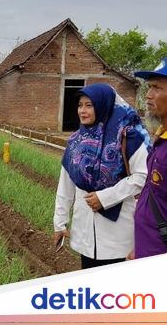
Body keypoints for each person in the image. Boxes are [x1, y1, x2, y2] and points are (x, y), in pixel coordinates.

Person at [54, 83, 151, 269]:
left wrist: (105, 197)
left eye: (89, 105)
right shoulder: (75, 141)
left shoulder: (127, 136)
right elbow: (66, 184)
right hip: (84, 232)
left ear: (102, 104)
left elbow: (142, 176)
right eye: (80, 105)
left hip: (118, 235)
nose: (82, 111)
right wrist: (60, 223)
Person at [129, 58, 167, 260]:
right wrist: (139, 245)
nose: (149, 95)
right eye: (149, 87)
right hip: (147, 248)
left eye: (157, 88)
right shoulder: (161, 139)